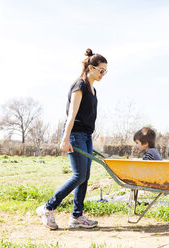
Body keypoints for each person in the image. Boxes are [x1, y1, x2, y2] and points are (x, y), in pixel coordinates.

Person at [36, 48, 107, 230]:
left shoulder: (93, 90)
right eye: (101, 70)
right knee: (79, 175)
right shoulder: (80, 85)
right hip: (75, 135)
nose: (103, 74)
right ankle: (48, 207)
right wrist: (65, 138)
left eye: (105, 71)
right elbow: (71, 115)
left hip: (86, 136)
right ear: (90, 68)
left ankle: (77, 216)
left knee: (85, 176)